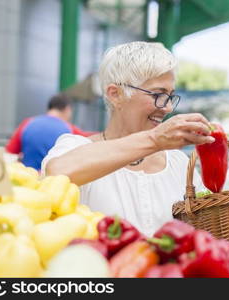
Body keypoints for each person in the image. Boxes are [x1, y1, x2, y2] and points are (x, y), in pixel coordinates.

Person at [42, 41, 214, 237]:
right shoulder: (76, 147)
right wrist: (154, 140)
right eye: (158, 94)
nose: (167, 107)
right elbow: (57, 173)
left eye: (170, 96)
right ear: (115, 94)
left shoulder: (179, 164)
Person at [6, 93, 93, 170]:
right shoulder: (70, 131)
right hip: (53, 183)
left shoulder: (27, 123)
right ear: (67, 109)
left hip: (27, 181)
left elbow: (10, 152)